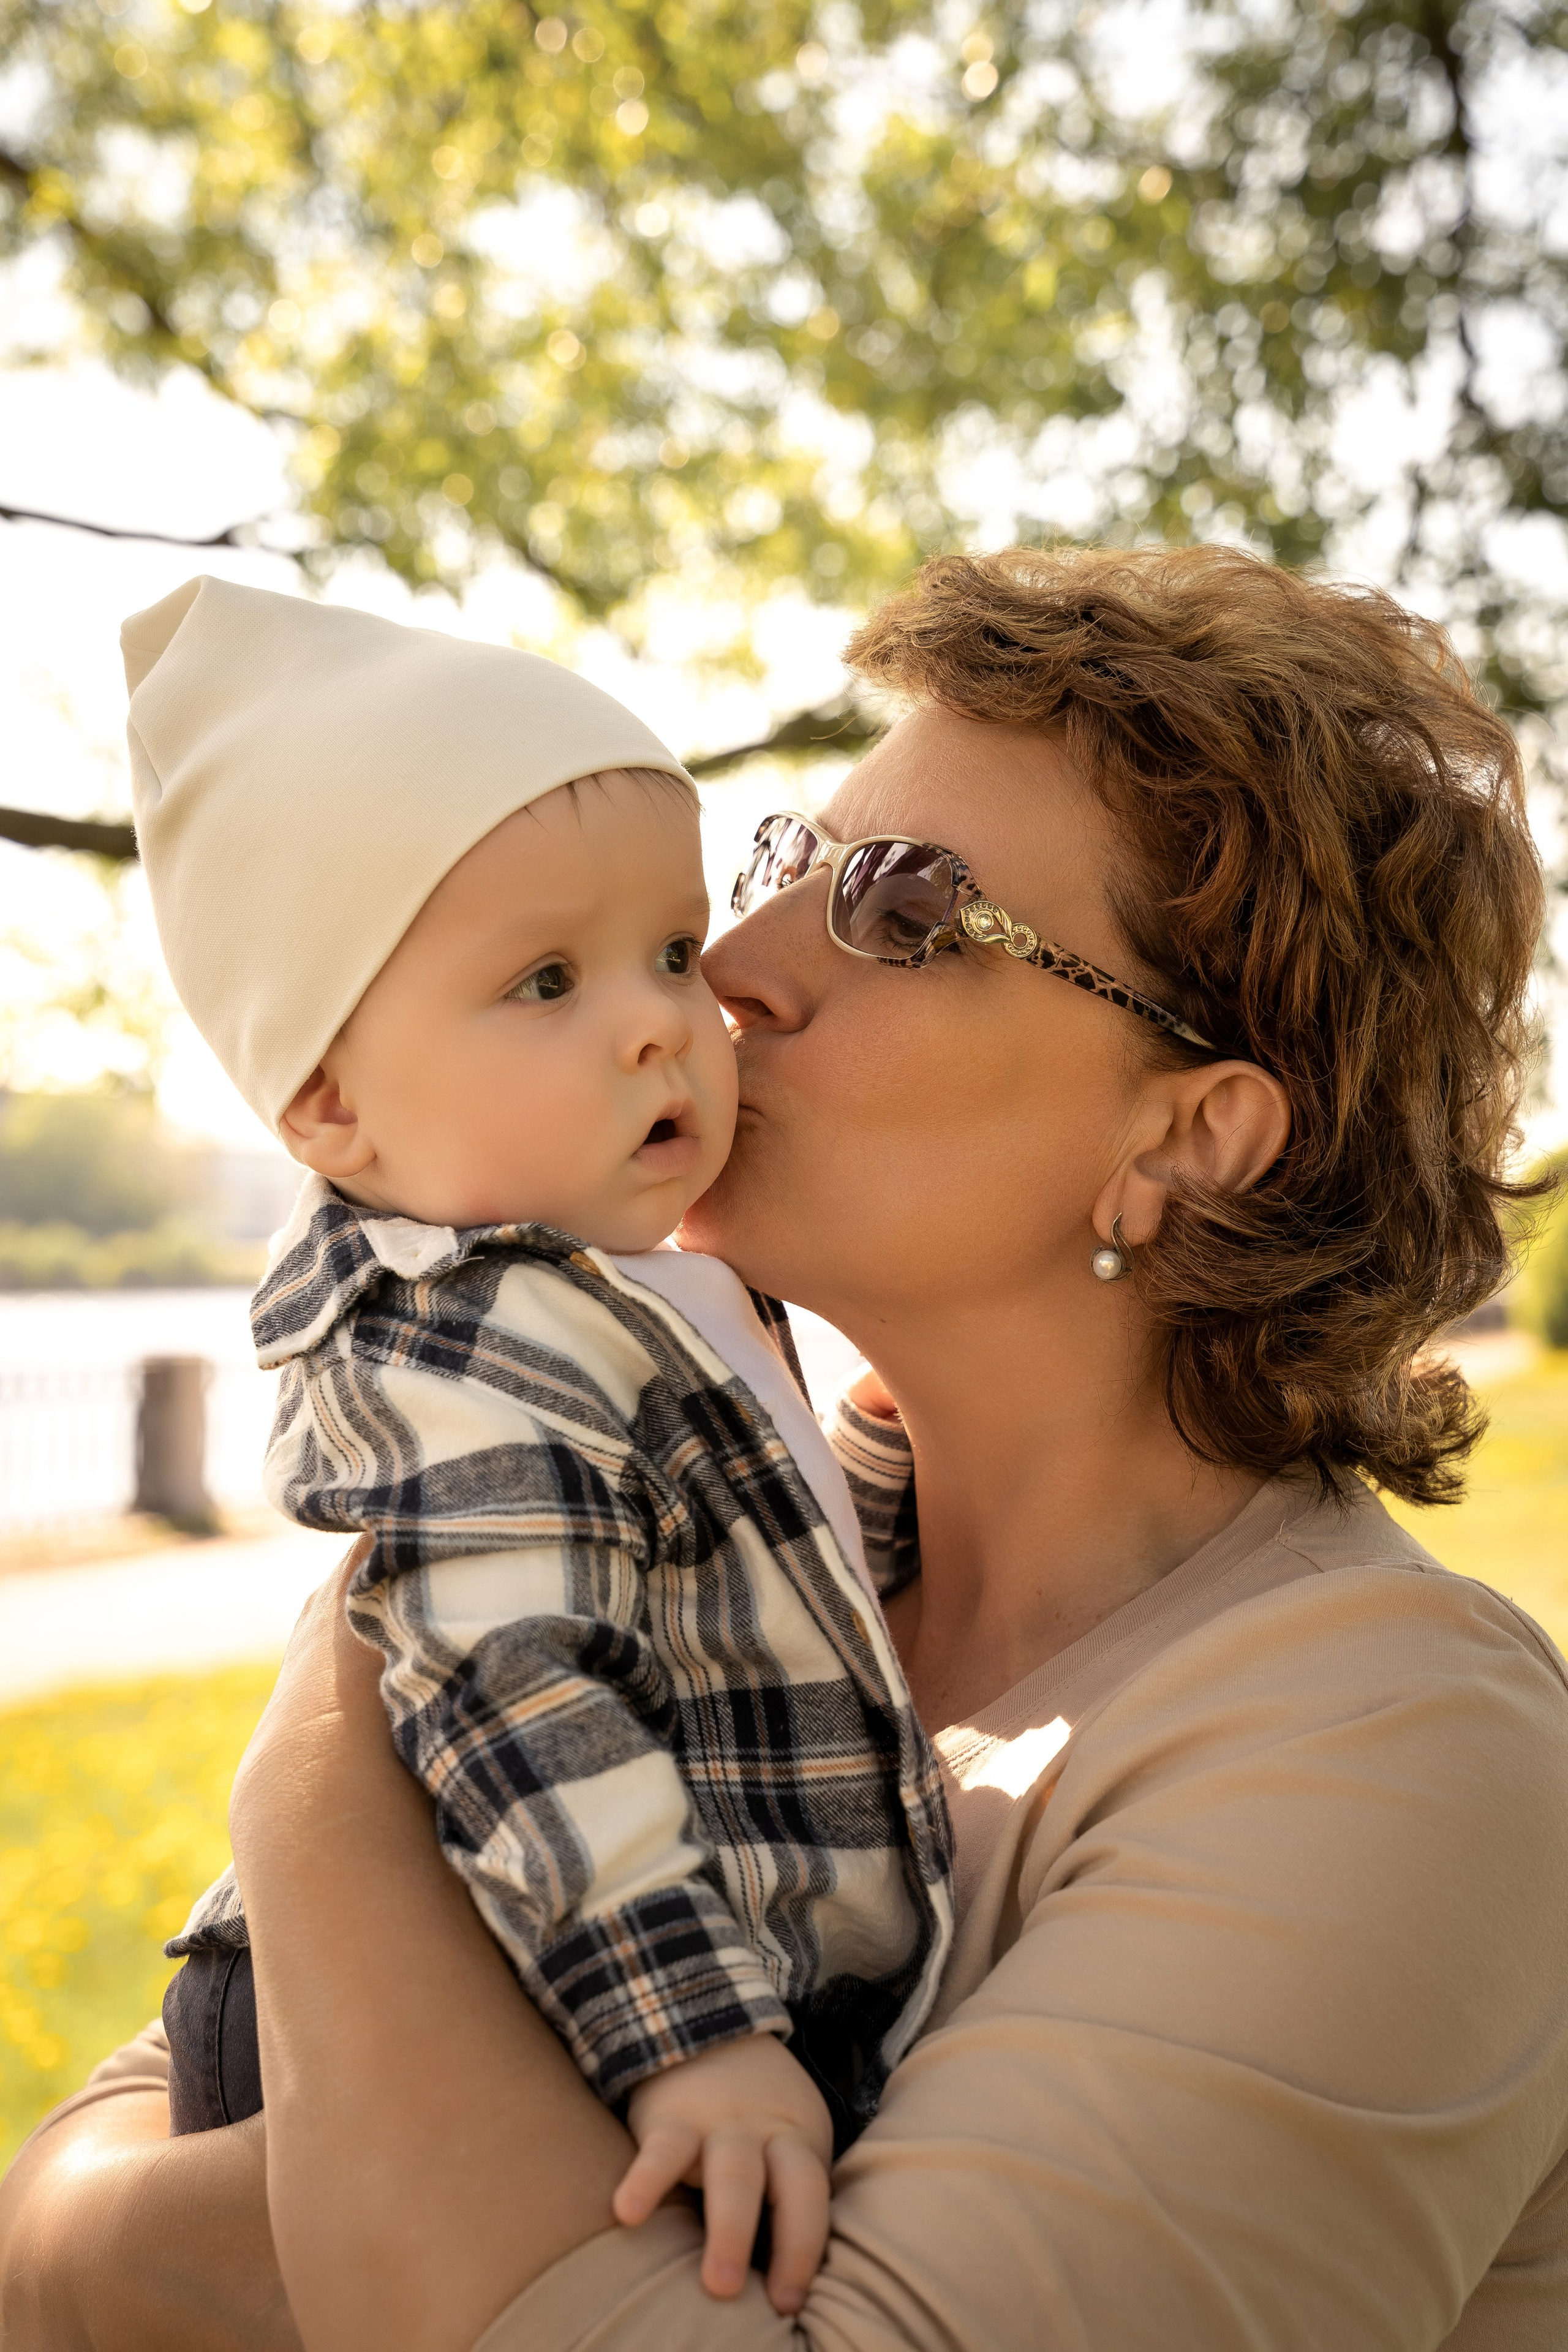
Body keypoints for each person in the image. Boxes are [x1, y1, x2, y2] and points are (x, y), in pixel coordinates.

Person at [4, 543, 1566, 2352]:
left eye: (903, 909)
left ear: (1191, 1132)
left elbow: (125, 2231)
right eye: (781, 867)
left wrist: (331, 1735)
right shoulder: (750, 1542)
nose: (731, 972)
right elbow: (67, 2202)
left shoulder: (1397, 1753)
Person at [111, 575, 954, 2313]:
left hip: (574, 1967)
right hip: (462, 1987)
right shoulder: (462, 1341)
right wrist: (691, 2032)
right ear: (333, 1103)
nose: (667, 1018)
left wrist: (884, 1460)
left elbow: (738, 1580)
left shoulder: (622, 1279)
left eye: (667, 948)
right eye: (548, 979)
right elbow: (520, 1688)